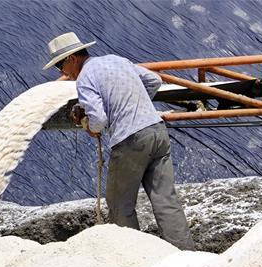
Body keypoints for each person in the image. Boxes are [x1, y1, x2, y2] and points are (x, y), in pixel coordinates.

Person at [43, 32, 194, 249]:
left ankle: (134, 257)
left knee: (119, 205)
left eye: (60, 66)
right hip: (157, 130)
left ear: (71, 59)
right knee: (165, 199)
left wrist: (88, 125)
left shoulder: (85, 78)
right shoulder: (117, 60)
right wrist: (135, 103)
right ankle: (185, 254)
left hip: (130, 140)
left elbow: (98, 120)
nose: (62, 73)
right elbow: (155, 80)